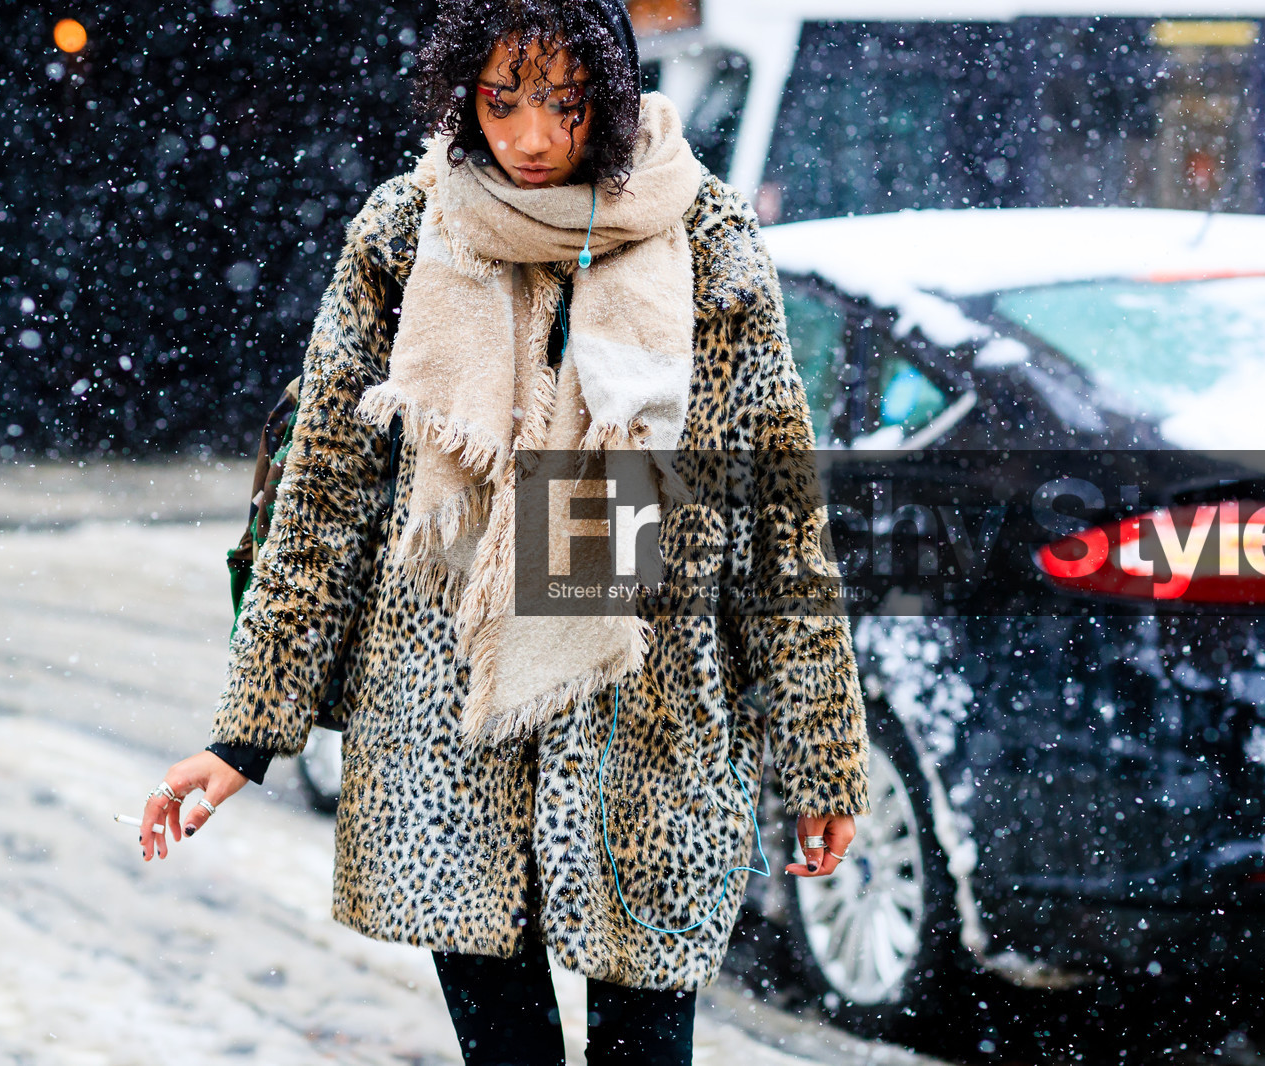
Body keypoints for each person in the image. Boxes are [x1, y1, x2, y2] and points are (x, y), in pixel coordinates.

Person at [139, 2, 870, 1062]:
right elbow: (326, 498)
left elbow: (777, 519)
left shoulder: (704, 239)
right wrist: (245, 735)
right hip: (451, 720)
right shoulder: (405, 232)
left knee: (645, 1046)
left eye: (565, 105)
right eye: (501, 100)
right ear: (460, 94)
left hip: (643, 721)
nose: (530, 138)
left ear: (613, 99)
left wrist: (818, 759)